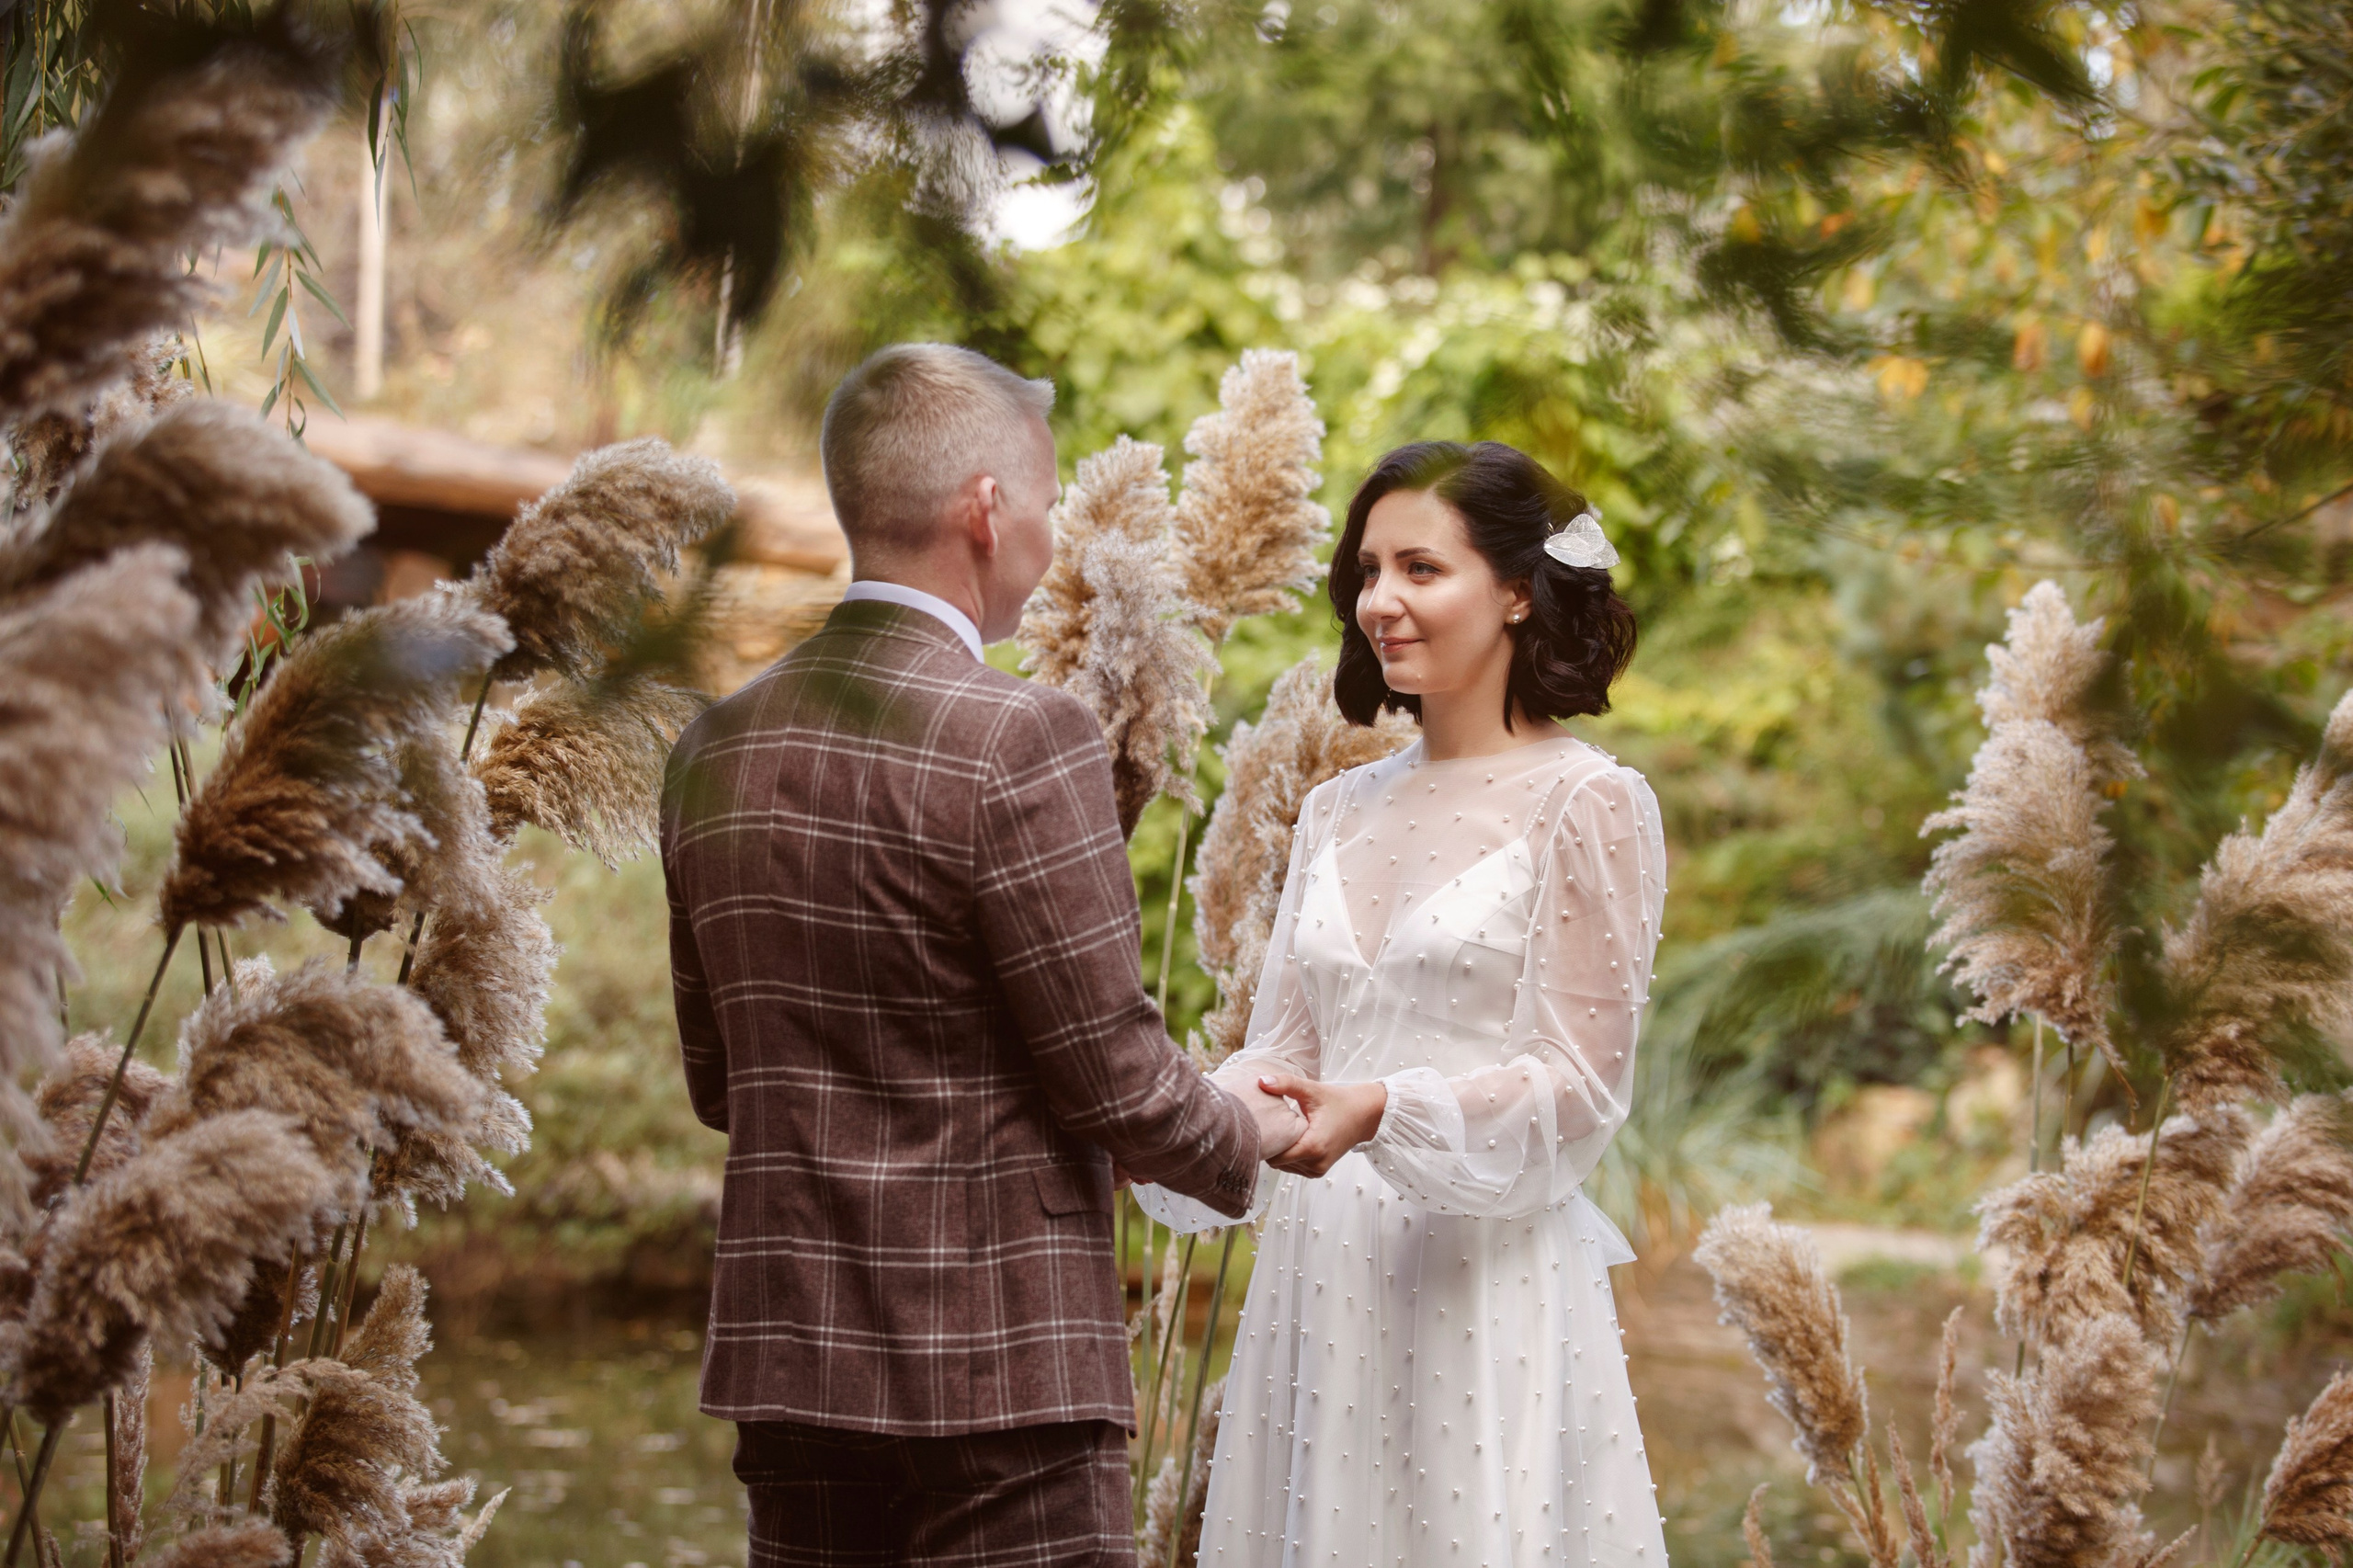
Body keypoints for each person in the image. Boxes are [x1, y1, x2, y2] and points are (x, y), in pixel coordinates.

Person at [659, 343, 1305, 1568]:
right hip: (1004, 1381)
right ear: (985, 506)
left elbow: (719, 1081)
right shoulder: (1022, 736)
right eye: (1050, 499)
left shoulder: (713, 748)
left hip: (793, 1370)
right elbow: (1113, 1077)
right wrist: (1245, 1130)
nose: (1055, 533)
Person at [1133, 439, 1669, 1567]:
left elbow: (1580, 1084)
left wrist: (1382, 1107)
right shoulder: (1335, 808)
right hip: (1320, 1279)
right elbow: (1279, 1050)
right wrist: (1161, 1106)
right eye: (1368, 570)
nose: (1380, 600)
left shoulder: (1592, 801)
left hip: (1480, 1290)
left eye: (1421, 568)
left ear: (1518, 590)